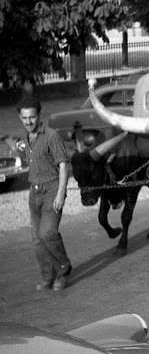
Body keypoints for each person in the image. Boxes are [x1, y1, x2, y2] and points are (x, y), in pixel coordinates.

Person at [17, 97, 72, 291]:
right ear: (20, 118)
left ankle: (64, 269)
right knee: (37, 239)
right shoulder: (26, 138)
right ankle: (48, 276)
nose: (29, 121)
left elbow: (64, 166)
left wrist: (60, 194)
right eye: (25, 118)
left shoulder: (51, 136)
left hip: (52, 191)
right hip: (35, 192)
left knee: (48, 233)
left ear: (39, 115)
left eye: (32, 117)